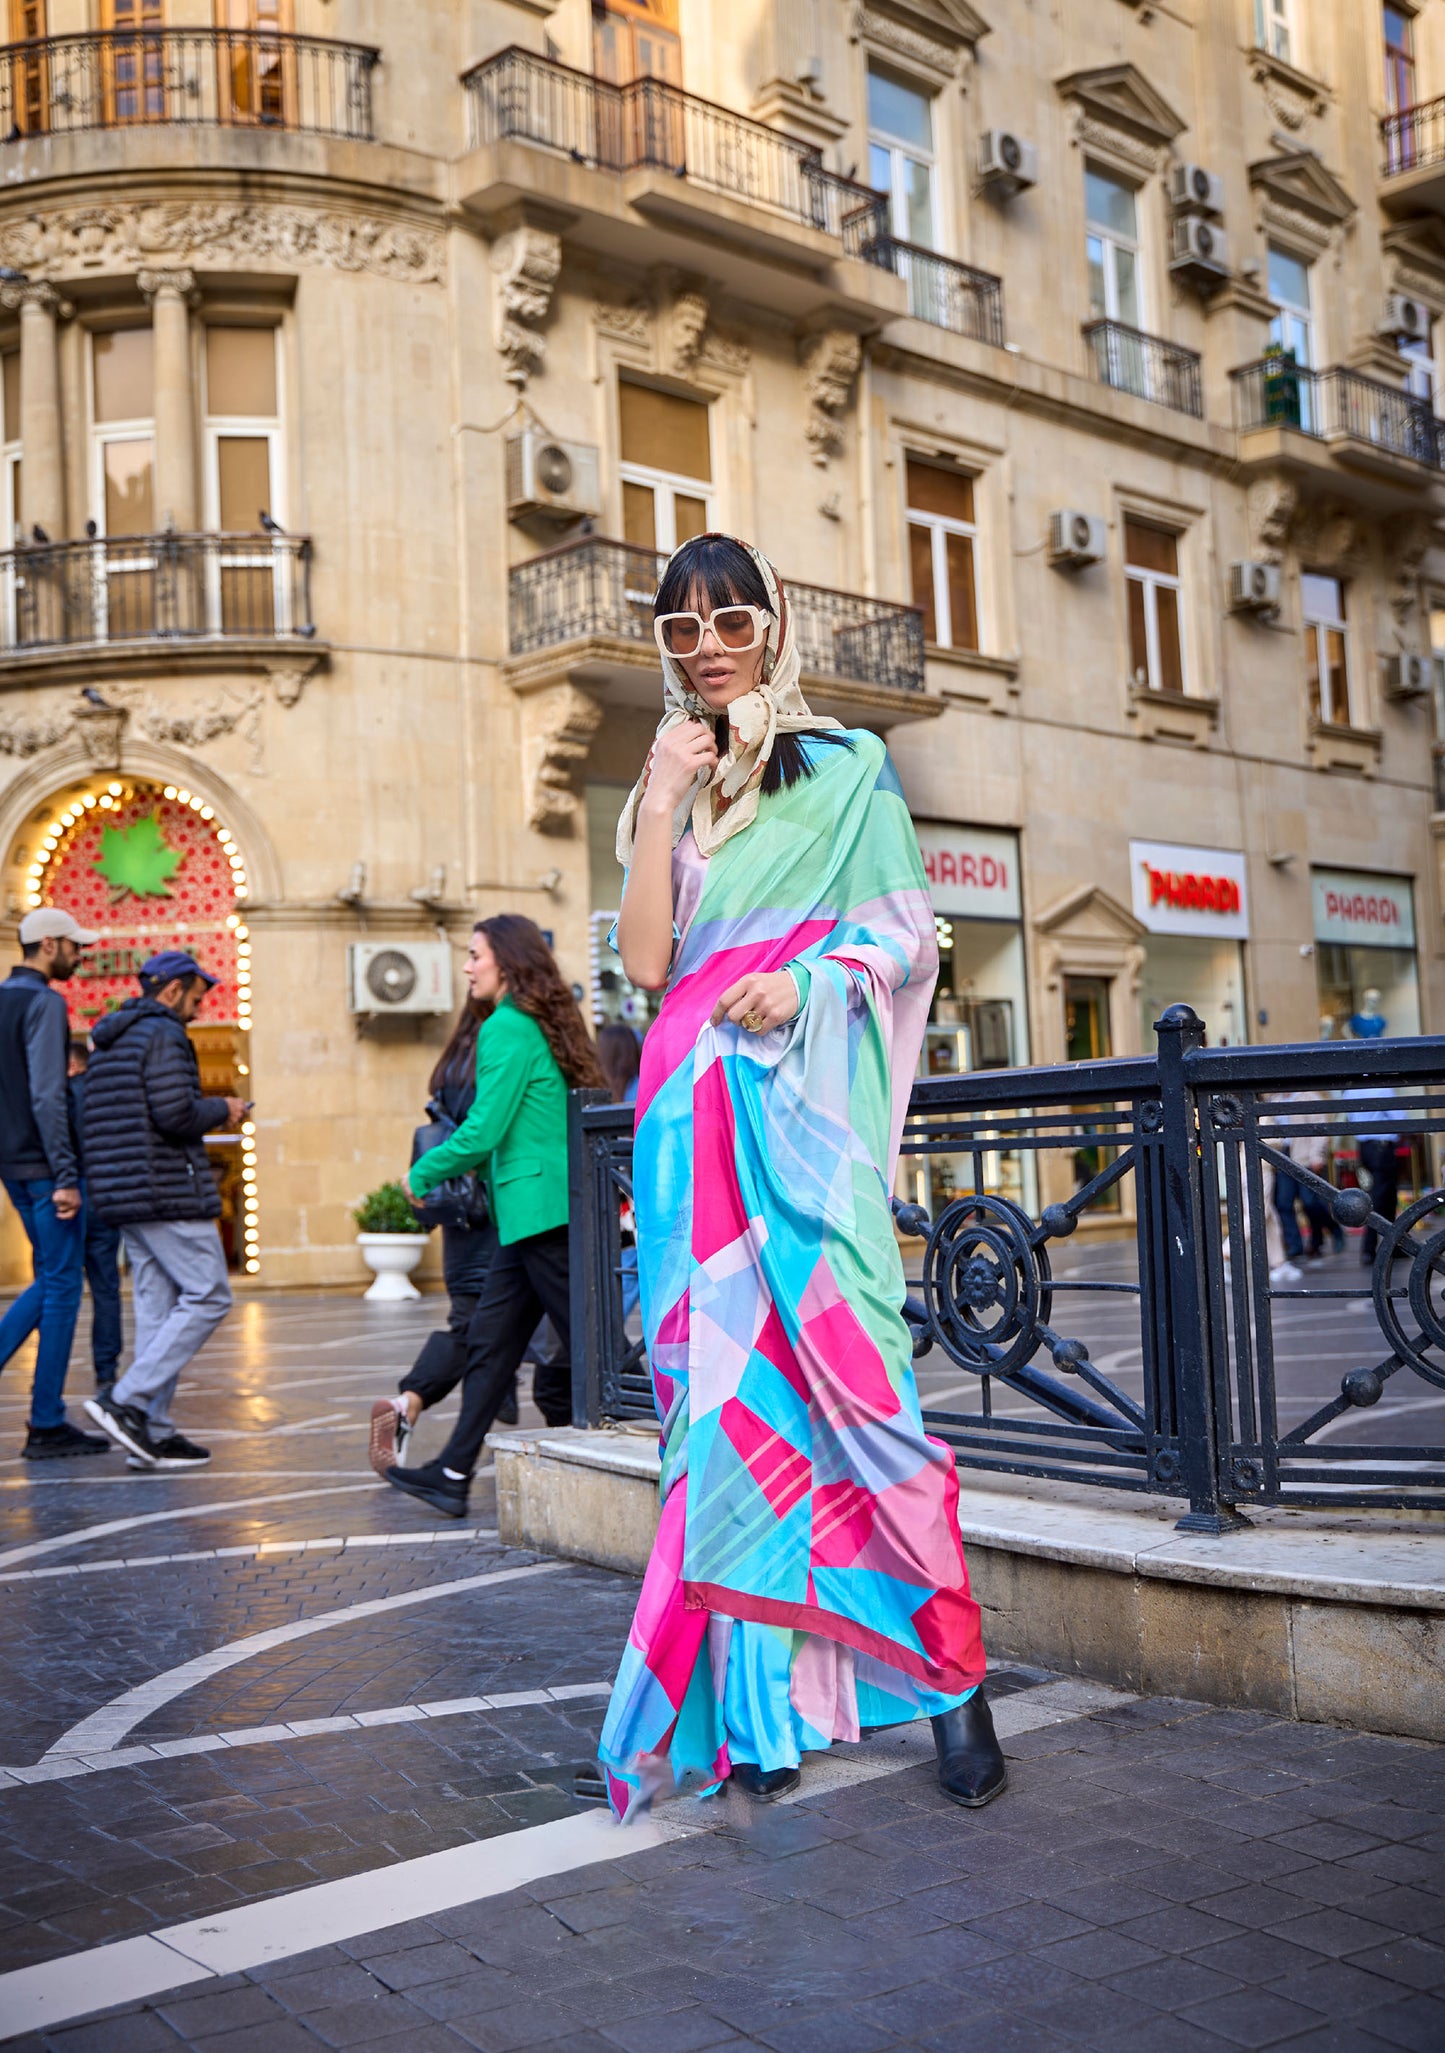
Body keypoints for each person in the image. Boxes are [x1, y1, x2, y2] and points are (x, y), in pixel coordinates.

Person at [597, 532, 1005, 1817]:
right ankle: (755, 1717)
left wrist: (808, 982)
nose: (707, 647)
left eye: (730, 622)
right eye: (681, 629)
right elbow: (652, 969)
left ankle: (954, 1689)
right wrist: (660, 796)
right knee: (717, 1425)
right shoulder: (663, 778)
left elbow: (897, 936)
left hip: (805, 1125)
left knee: (869, 1397)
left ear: (772, 629)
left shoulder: (847, 766)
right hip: (684, 1127)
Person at [387, 916, 604, 1517]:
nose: (466, 966)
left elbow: (486, 1127)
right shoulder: (534, 1024)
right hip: (534, 1212)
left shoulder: (505, 1027)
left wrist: (422, 1173)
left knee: (593, 1343)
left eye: (474, 955)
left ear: (504, 962)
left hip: (539, 1210)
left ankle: (674, 1433)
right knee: (491, 1342)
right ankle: (453, 1472)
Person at [82, 951, 246, 1469]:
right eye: (197, 997)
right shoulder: (163, 1033)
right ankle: (125, 1401)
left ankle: (151, 1430)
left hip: (127, 1194)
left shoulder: (111, 1039)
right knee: (208, 1295)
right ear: (173, 990)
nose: (199, 1009)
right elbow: (176, 1114)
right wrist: (226, 1108)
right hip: (166, 1189)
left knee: (157, 1309)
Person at [367, 994, 516, 1477]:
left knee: (479, 1325)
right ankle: (410, 1402)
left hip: (459, 1223)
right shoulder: (498, 1055)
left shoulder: (450, 1063)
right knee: (481, 1328)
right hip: (494, 1217)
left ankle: (458, 1421)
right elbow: (485, 1135)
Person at [0, 908, 109, 1459]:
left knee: (52, 1277)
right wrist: (67, 1175)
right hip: (47, 1171)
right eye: (74, 945)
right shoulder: (45, 1003)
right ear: (47, 944)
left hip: (13, 1167)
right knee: (63, 1285)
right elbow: (48, 1093)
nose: (80, 954)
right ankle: (46, 1422)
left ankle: (48, 1418)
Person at [68, 1037, 124, 1391]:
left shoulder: (61, 1094)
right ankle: (106, 1370)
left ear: (71, 1066)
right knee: (106, 1288)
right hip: (104, 1195)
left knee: (59, 1285)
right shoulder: (107, 1096)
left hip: (69, 1193)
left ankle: (49, 1367)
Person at [597, 1021, 642, 1318]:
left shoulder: (597, 1091)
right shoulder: (641, 1085)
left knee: (623, 1269)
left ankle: (609, 1331)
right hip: (637, 1192)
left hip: (612, 1198)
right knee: (639, 1267)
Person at [1342, 1084, 1403, 1264]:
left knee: (1383, 1196)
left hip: (1365, 1148)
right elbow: (1399, 1118)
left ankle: (1393, 1244)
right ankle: (1371, 1248)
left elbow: (1351, 1119)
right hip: (1382, 1147)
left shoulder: (1350, 1091)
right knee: (1383, 1197)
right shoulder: (1383, 1089)